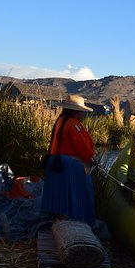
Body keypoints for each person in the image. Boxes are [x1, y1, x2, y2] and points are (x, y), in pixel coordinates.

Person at [41, 94, 97, 226]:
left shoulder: (61, 120)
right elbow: (81, 145)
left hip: (55, 161)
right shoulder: (73, 124)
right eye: (82, 112)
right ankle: (76, 222)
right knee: (81, 190)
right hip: (66, 164)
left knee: (61, 195)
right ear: (75, 112)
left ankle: (60, 220)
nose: (83, 115)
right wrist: (91, 159)